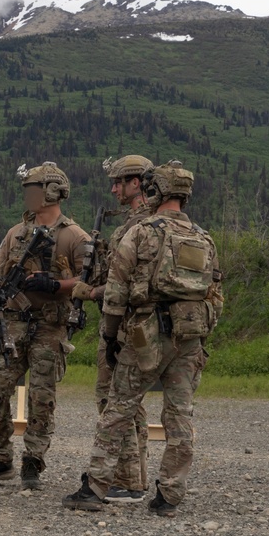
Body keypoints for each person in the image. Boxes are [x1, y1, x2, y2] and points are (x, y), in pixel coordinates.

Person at [62, 160, 223, 517]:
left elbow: (117, 289)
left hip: (145, 334)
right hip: (190, 336)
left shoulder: (142, 231)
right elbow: (215, 295)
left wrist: (110, 333)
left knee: (118, 408)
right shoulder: (202, 237)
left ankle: (95, 488)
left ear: (156, 190)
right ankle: (170, 495)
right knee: (179, 417)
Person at [0, 162, 90, 490]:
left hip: (50, 327)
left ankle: (33, 461)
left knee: (42, 398)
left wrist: (56, 285)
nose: (28, 195)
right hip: (12, 325)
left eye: (34, 188)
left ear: (52, 191)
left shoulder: (74, 236)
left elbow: (91, 282)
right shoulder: (16, 234)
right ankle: (1, 457)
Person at [70, 155, 154, 503]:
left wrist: (89, 291)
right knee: (130, 404)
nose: (114, 188)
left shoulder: (142, 226)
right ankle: (134, 476)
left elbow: (134, 284)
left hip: (124, 326)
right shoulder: (140, 222)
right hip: (130, 325)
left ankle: (126, 480)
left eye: (120, 182)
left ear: (137, 183)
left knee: (112, 400)